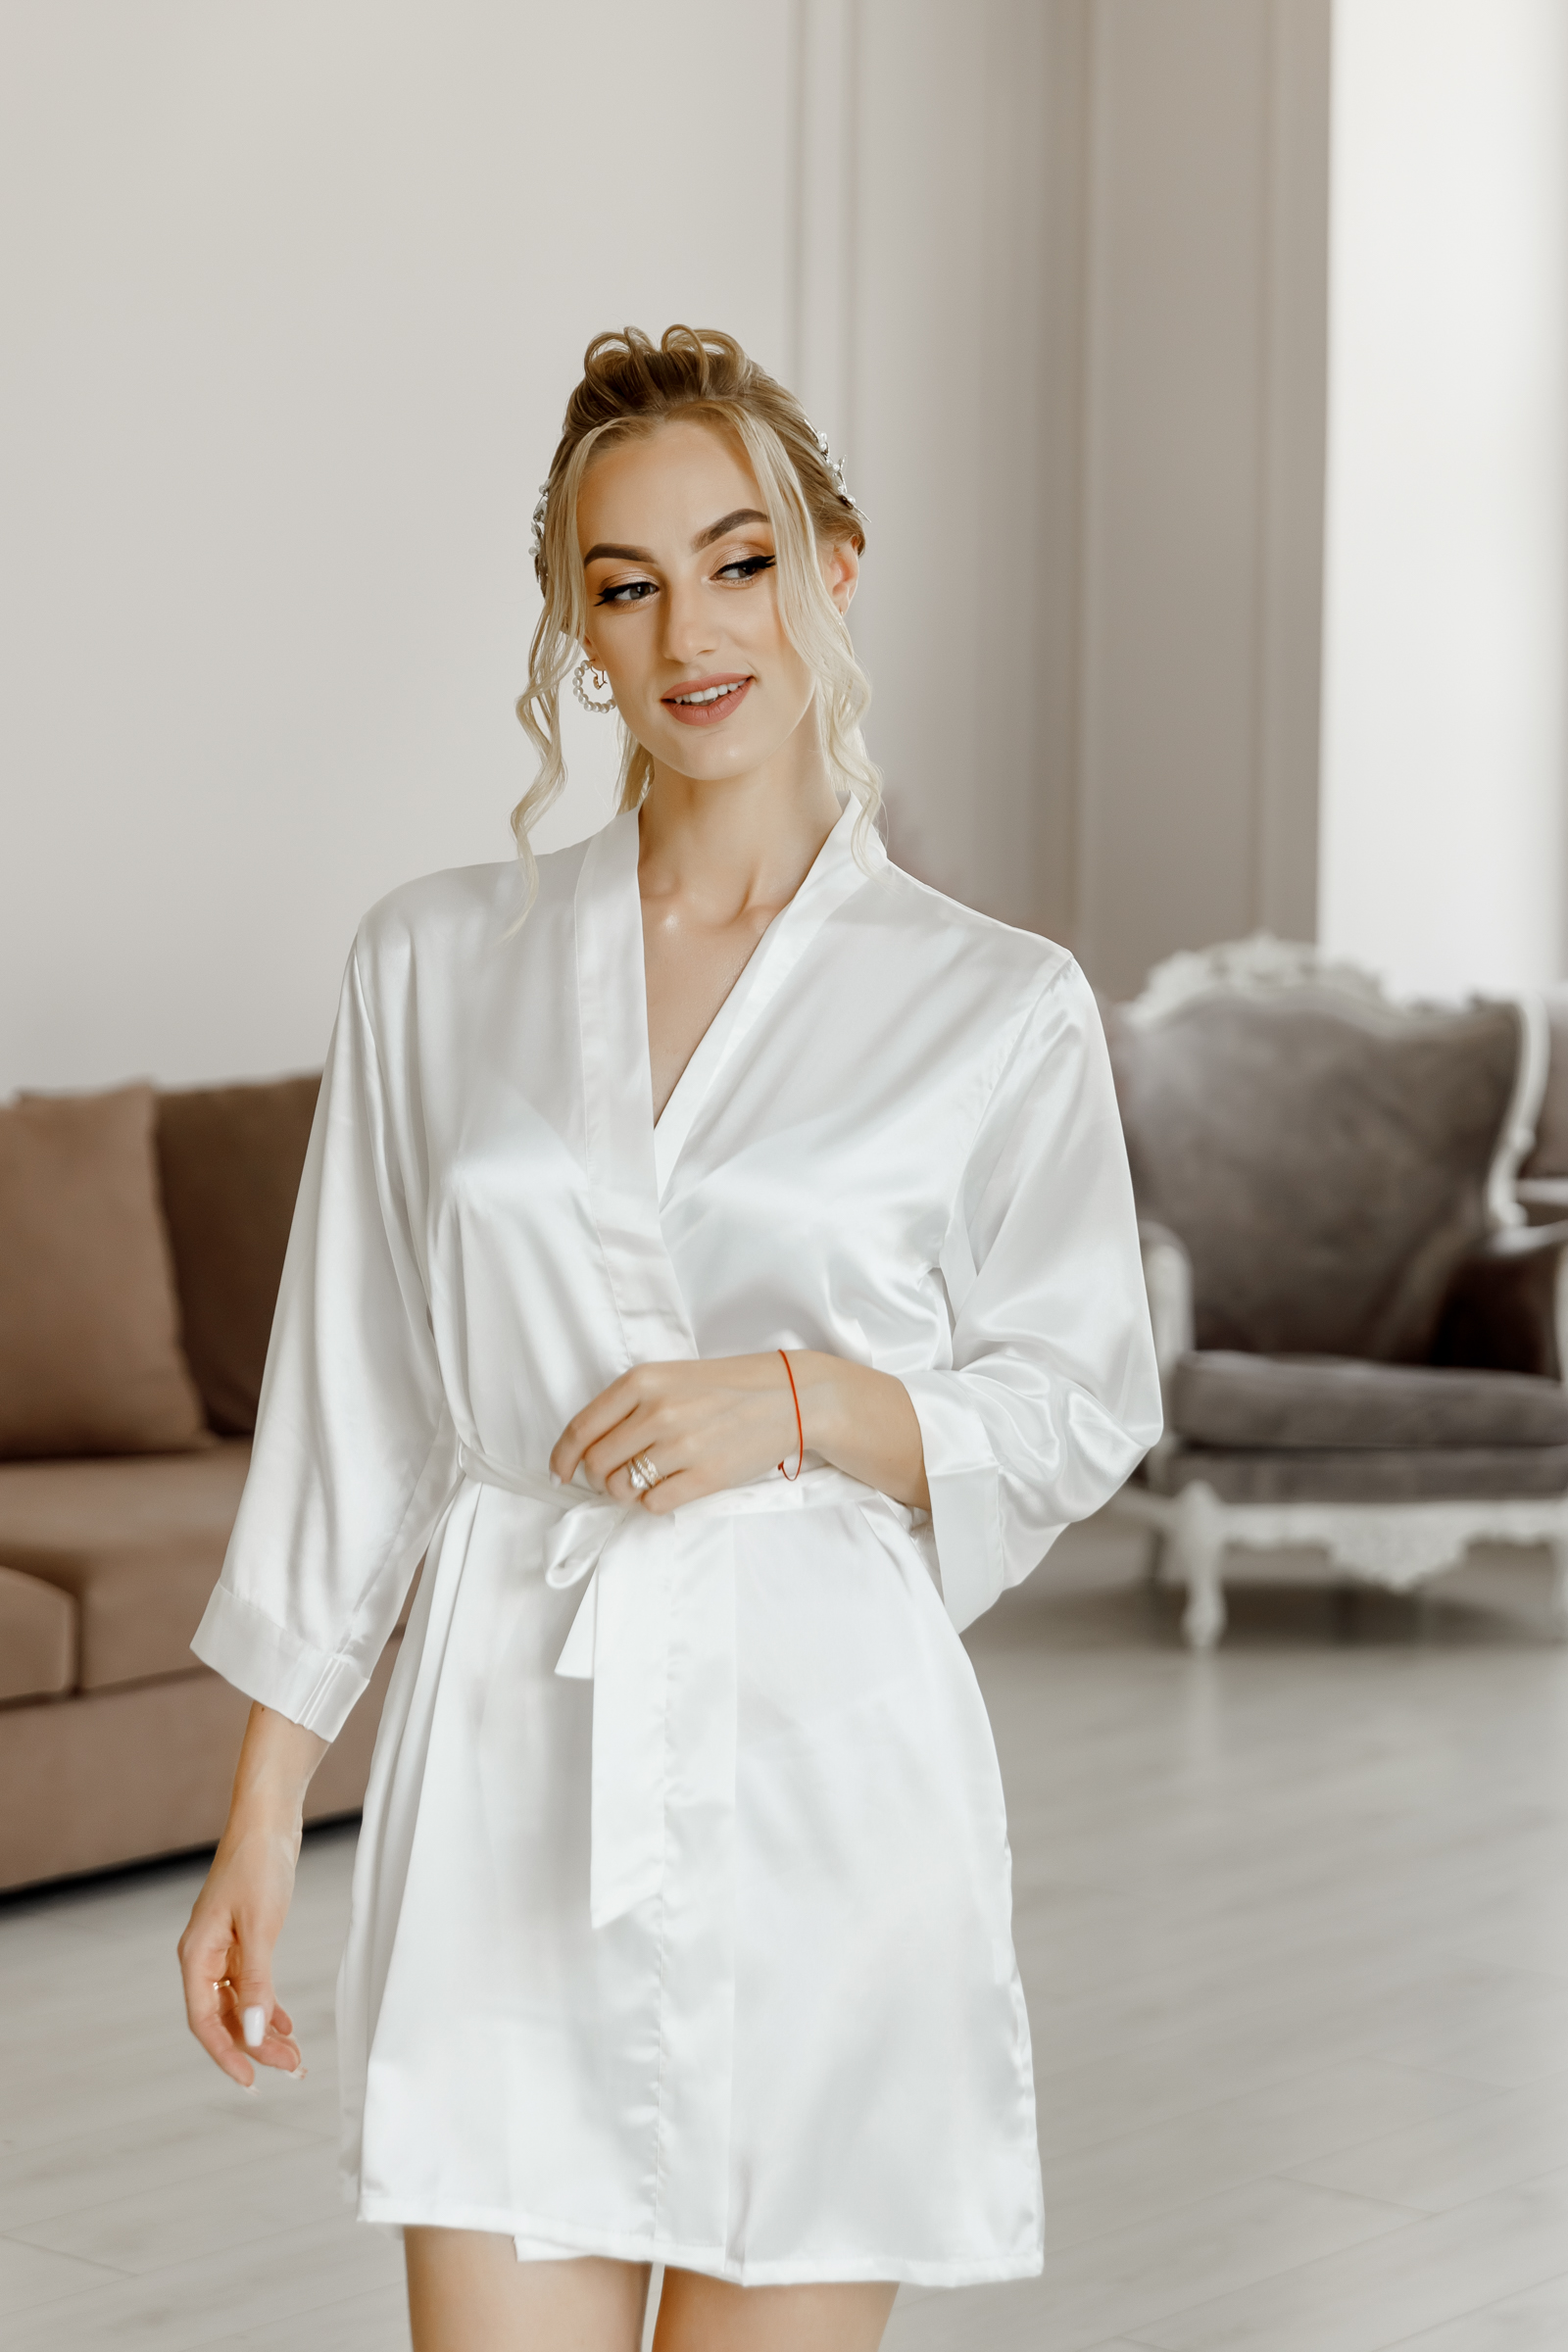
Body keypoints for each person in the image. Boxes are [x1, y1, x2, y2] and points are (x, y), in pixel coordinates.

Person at [177, 324, 1161, 2352]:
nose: (689, 632)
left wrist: (799, 1404)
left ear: (834, 567)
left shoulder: (993, 1003)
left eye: (740, 561)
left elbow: (1080, 1398)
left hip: (826, 1776)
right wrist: (261, 1811)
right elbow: (356, 1405)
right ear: (574, 629)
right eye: (623, 586)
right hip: (506, 1766)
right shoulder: (432, 962)